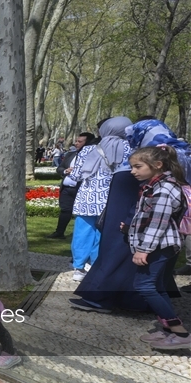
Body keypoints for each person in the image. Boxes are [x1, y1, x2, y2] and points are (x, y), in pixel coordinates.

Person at [74, 118, 183, 312]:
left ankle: (106, 297)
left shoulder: (145, 165)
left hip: (130, 220)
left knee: (117, 249)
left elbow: (153, 216)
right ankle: (165, 316)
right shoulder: (173, 156)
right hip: (156, 232)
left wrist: (130, 221)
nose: (134, 170)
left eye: (137, 167)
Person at [124, 146, 189, 350]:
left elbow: (158, 223)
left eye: (138, 166)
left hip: (159, 245)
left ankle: (180, 332)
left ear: (157, 165)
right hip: (160, 244)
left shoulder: (164, 189)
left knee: (144, 285)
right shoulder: (154, 185)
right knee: (158, 286)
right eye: (132, 167)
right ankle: (170, 330)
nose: (133, 171)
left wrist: (144, 249)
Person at [68, 117, 132, 282]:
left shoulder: (89, 149)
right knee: (103, 234)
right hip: (112, 199)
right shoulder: (130, 148)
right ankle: (96, 265)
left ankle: (79, 267)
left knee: (82, 233)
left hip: (87, 199)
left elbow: (76, 176)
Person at [47, 133, 93, 239]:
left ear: (87, 143)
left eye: (79, 141)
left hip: (80, 188)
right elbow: (59, 168)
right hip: (67, 188)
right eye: (76, 141)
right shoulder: (70, 154)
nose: (76, 143)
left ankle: (81, 236)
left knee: (81, 213)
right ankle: (59, 232)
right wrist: (65, 171)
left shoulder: (92, 157)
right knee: (65, 210)